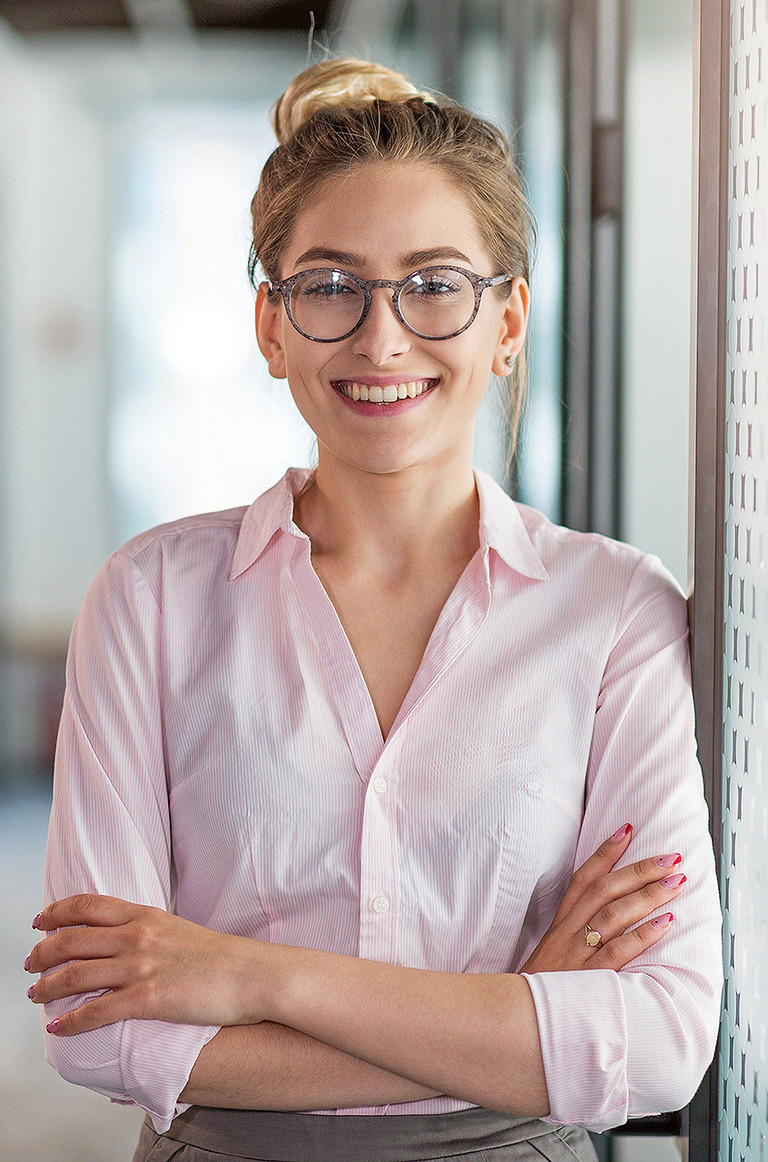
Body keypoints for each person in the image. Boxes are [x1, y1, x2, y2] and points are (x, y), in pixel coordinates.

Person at [25, 58, 722, 1162]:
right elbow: (99, 1030)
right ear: (271, 324)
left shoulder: (616, 613)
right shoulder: (151, 599)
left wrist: (251, 977)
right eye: (330, 285)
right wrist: (516, 1008)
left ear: (508, 322)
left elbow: (661, 1039)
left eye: (435, 283)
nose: (381, 338)